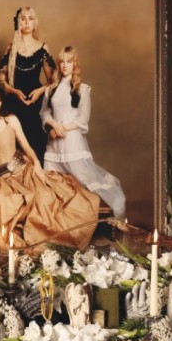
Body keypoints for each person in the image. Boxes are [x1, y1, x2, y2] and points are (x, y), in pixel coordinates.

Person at [0, 80, 100, 251]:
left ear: (2, 102)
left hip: (22, 171)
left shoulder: (10, 120)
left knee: (44, 201)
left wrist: (37, 165)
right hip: (1, 181)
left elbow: (26, 147)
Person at [40, 46, 126, 219]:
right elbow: (44, 113)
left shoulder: (82, 89)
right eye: (62, 62)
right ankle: (60, 221)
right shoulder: (51, 89)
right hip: (53, 145)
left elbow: (83, 118)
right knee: (52, 183)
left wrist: (61, 128)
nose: (65, 65)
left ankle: (114, 204)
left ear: (75, 65)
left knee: (84, 179)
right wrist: (53, 125)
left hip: (72, 141)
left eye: (69, 61)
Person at [0, 7, 55, 164]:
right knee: (15, 145)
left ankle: (37, 173)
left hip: (35, 102)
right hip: (14, 101)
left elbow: (53, 80)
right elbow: (1, 81)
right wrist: (15, 91)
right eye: (23, 18)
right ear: (18, 22)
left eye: (30, 18)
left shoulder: (42, 47)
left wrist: (39, 92)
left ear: (35, 22)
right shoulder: (11, 48)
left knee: (36, 141)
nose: (27, 22)